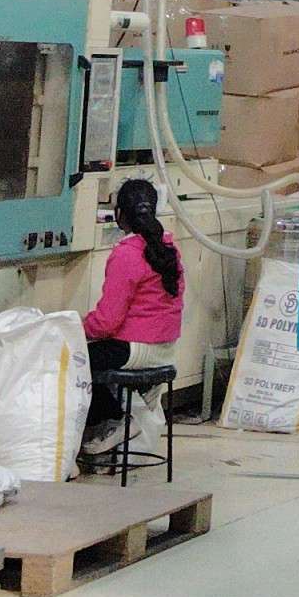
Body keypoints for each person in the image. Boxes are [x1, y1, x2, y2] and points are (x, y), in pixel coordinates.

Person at [82, 178, 185, 444]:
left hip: (136, 348)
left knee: (73, 358)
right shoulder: (168, 248)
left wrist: (75, 327)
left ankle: (113, 421)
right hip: (165, 347)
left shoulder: (127, 254)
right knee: (95, 353)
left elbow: (106, 322)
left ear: (119, 215)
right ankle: (112, 427)